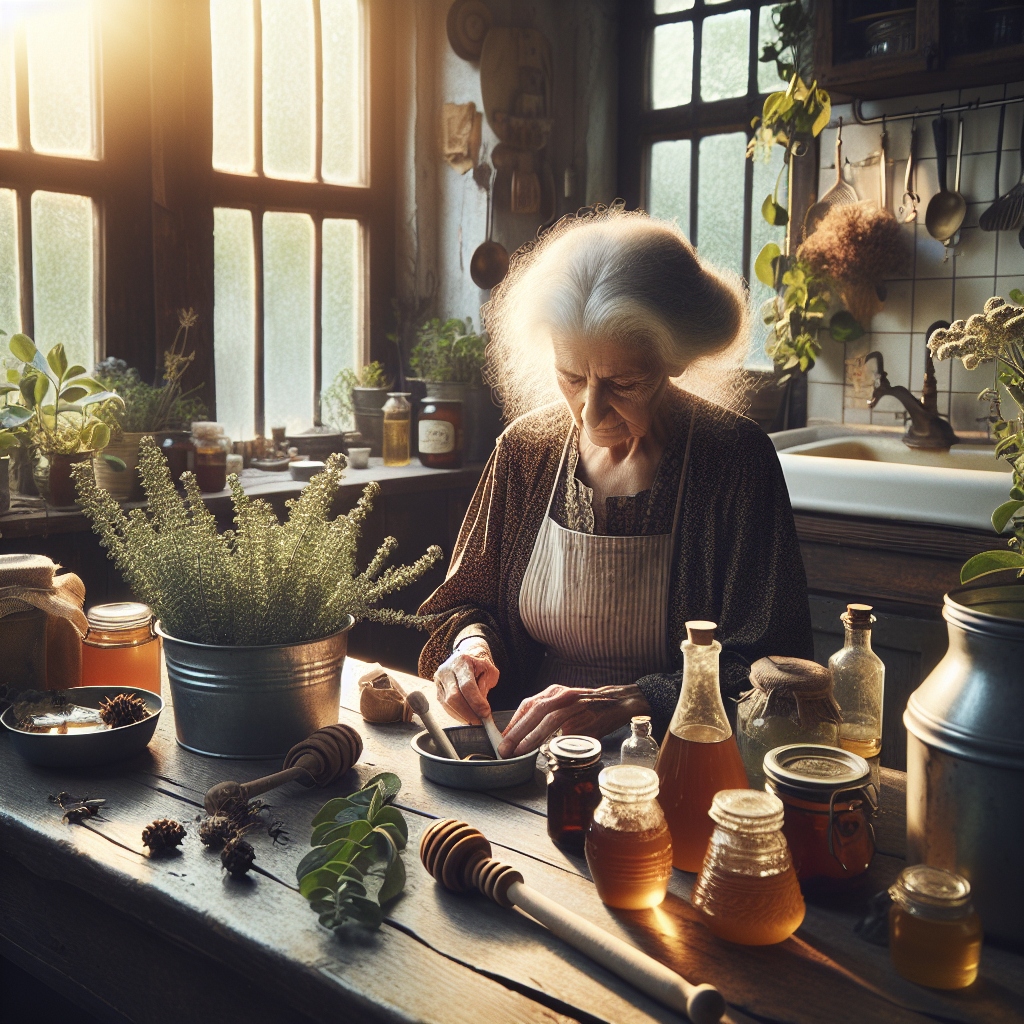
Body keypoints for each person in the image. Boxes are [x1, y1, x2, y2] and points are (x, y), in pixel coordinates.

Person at [418, 206, 813, 757]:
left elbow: (772, 669)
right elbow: (463, 602)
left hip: (682, 764)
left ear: (675, 358)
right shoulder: (525, 451)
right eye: (572, 377)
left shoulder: (735, 461)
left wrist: (629, 700)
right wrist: (469, 647)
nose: (589, 410)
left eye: (623, 381)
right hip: (530, 756)